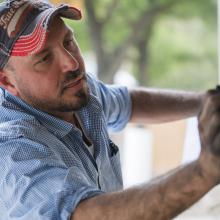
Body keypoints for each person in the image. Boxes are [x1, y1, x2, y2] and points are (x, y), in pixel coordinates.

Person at [0, 0, 218, 219]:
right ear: (7, 82)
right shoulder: (12, 151)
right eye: (45, 58)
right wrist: (204, 172)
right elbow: (84, 215)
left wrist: (208, 101)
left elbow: (127, 103)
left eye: (68, 42)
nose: (72, 63)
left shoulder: (72, 91)